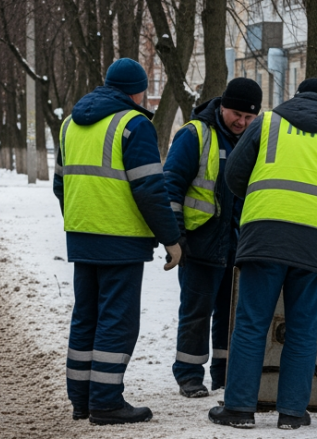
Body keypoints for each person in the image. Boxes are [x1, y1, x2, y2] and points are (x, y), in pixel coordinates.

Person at [209, 78, 317, 430]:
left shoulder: (268, 122)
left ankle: (239, 409)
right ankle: (293, 413)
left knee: (250, 324)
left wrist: (260, 194)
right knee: (303, 329)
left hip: (264, 234)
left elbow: (233, 174)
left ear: (296, 97)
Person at [53, 58, 183, 425]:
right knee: (117, 321)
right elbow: (150, 190)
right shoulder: (134, 124)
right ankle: (106, 402)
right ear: (138, 91)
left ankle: (82, 400)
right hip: (121, 239)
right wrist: (171, 239)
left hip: (82, 236)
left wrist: (82, 220)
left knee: (86, 318)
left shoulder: (70, 125)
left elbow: (60, 185)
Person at [164, 78, 262, 398]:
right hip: (201, 244)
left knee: (229, 316)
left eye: (249, 117)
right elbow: (171, 187)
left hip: (238, 245)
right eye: (236, 114)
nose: (242, 122)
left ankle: (223, 375)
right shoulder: (194, 135)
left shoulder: (253, 139)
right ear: (222, 106)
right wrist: (176, 236)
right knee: (196, 313)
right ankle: (189, 375)